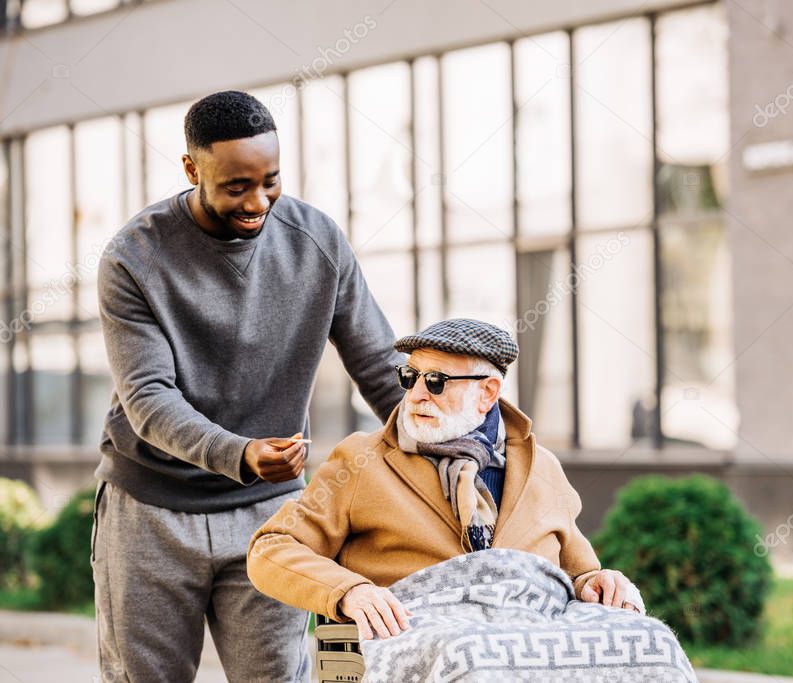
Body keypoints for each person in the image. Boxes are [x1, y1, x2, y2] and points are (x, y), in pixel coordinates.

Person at [92, 90, 405, 682]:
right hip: (152, 512)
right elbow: (148, 399)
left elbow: (378, 365)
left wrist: (453, 437)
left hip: (272, 517)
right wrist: (240, 453)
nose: (257, 201)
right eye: (237, 186)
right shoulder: (134, 258)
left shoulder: (317, 241)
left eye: (271, 180)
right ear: (192, 168)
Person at [247, 318, 642, 643]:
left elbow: (580, 572)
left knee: (651, 646)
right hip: (419, 650)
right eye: (411, 377)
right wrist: (349, 591)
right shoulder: (361, 460)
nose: (417, 394)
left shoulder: (543, 468)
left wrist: (599, 580)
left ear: (487, 393)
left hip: (529, 653)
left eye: (436, 381)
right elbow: (271, 548)